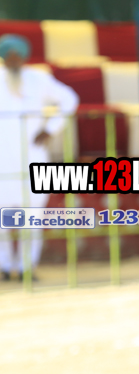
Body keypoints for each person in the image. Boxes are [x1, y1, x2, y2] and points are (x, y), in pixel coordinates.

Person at [0, 34, 80, 279]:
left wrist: (50, 129)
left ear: (24, 56)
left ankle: (27, 268)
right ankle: (4, 267)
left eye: (18, 54)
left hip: (31, 156)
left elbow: (69, 99)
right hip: (2, 159)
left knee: (32, 217)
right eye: (9, 54)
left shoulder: (39, 79)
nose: (14, 59)